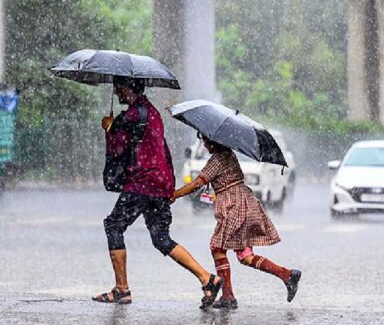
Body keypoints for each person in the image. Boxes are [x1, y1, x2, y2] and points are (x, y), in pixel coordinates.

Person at [92, 76, 222, 308]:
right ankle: (207, 278)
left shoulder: (131, 115)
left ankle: (122, 289)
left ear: (126, 89)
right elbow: (161, 148)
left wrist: (108, 128)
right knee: (161, 238)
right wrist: (168, 186)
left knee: (113, 225)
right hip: (160, 183)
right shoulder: (152, 113)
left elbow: (117, 147)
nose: (116, 92)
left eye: (118, 88)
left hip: (141, 182)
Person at [172, 134, 302, 309]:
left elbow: (197, 183)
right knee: (245, 256)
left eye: (205, 141)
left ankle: (228, 296)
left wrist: (174, 194)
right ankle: (287, 275)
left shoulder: (218, 159)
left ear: (213, 141)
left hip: (235, 206)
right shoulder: (228, 154)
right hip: (243, 202)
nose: (204, 144)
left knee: (218, 247)